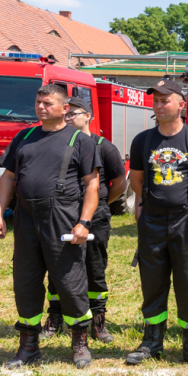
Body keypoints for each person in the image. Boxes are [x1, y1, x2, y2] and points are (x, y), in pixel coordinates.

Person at [0, 85, 100, 369]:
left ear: (65, 109)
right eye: (38, 102)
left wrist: (83, 222)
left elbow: (92, 185)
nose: (41, 107)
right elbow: (7, 179)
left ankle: (79, 343)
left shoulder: (80, 141)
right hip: (27, 218)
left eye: (48, 103)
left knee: (69, 281)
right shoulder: (24, 137)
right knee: (25, 282)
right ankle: (29, 346)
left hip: (62, 218)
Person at [125, 79, 188, 368]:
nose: (158, 104)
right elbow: (136, 181)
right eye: (155, 100)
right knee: (152, 283)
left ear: (181, 104)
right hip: (153, 221)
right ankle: (152, 342)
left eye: (165, 99)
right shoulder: (143, 140)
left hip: (186, 220)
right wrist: (151, 204)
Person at [41, 97, 127, 344]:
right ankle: (56, 318)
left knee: (94, 267)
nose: (68, 117)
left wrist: (99, 205)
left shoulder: (103, 146)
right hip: (64, 215)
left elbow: (120, 183)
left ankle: (98, 322)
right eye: (66, 114)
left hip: (95, 217)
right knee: (59, 267)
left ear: (88, 115)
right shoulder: (59, 143)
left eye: (74, 113)